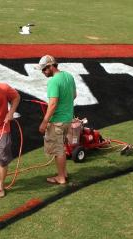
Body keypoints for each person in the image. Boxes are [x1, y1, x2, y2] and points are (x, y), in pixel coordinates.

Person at [35, 55, 76, 185]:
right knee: (61, 148)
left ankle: (61, 177)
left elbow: (52, 104)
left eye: (44, 70)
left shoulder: (53, 81)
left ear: (51, 66)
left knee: (58, 150)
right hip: (68, 119)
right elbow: (74, 95)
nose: (43, 73)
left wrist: (44, 122)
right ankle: (64, 173)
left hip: (57, 121)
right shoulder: (69, 76)